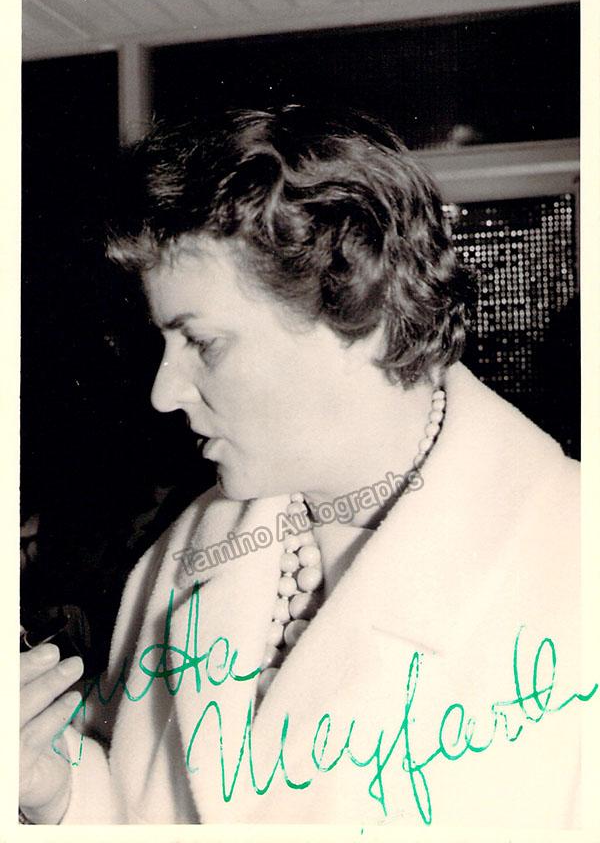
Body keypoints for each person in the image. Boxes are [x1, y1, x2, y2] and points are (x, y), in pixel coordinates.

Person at [19, 106, 586, 828]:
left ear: (358, 313)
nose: (165, 392)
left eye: (203, 343)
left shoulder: (573, 558)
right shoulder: (188, 548)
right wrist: (60, 795)